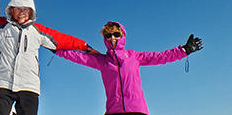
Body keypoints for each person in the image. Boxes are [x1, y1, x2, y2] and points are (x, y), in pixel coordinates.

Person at [56, 21, 203, 115]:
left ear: (122, 35)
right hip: (114, 111)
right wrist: (56, 49)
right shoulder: (102, 61)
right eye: (108, 35)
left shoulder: (134, 57)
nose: (112, 38)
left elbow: (161, 57)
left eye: (116, 34)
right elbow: (77, 56)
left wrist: (184, 50)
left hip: (137, 110)